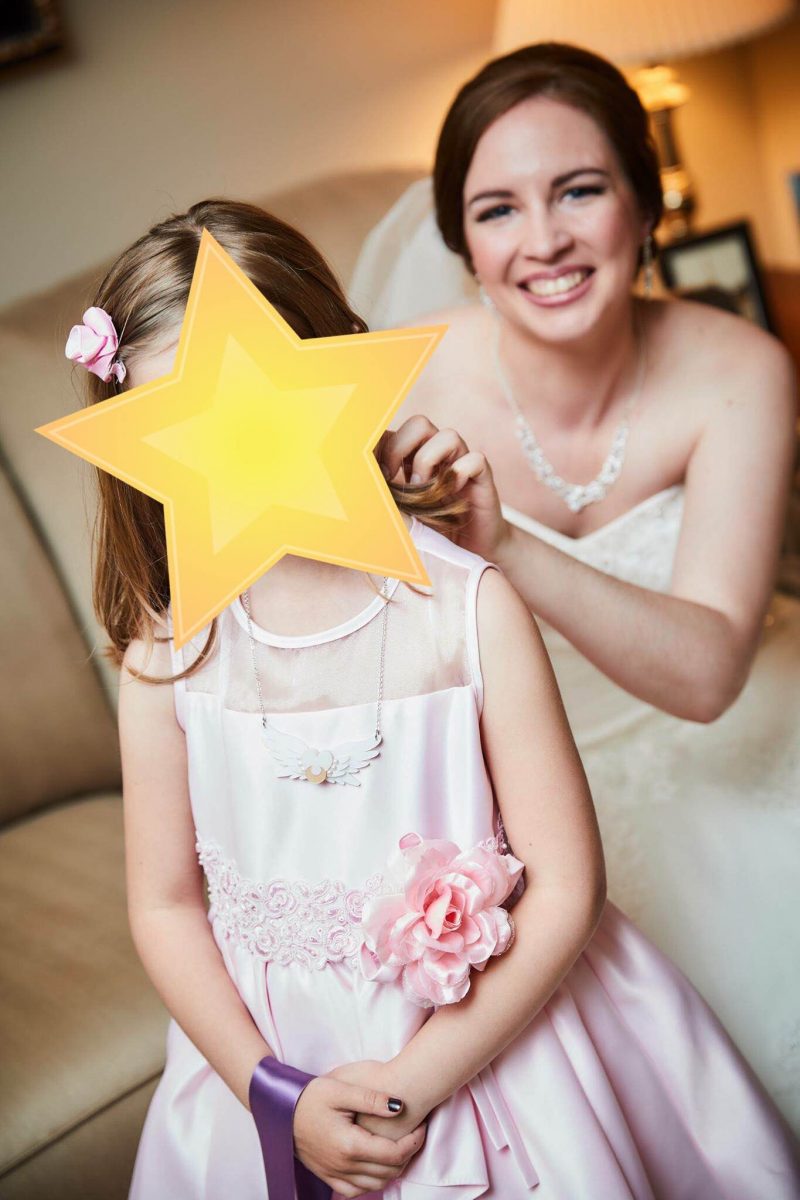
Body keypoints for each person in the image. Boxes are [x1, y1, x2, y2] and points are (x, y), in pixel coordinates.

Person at [70, 198, 800, 1198]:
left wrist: (409, 1088)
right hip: (270, 1071)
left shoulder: (465, 607)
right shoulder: (166, 659)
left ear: (336, 372)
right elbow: (162, 902)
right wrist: (271, 1093)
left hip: (493, 1053)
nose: (234, 457)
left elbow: (566, 886)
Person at [351, 42, 800, 1135]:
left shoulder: (737, 367)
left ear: (645, 205)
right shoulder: (395, 380)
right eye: (497, 210)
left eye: (579, 191)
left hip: (726, 744)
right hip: (519, 789)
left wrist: (505, 545)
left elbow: (704, 676)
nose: (543, 242)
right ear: (459, 243)